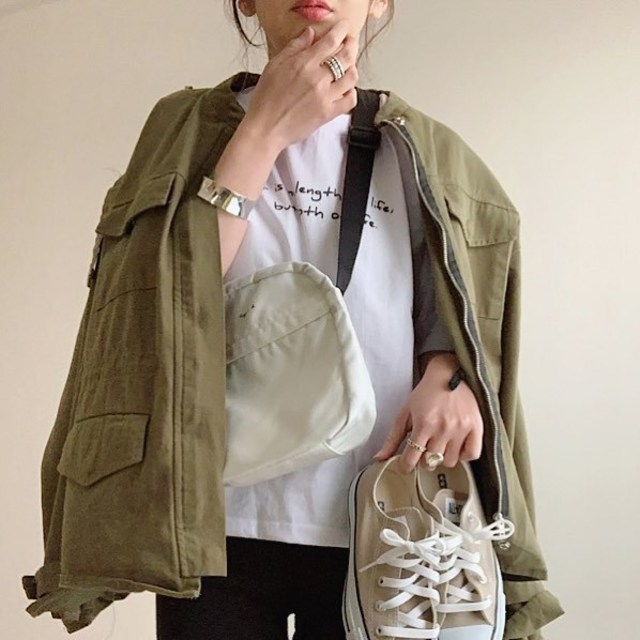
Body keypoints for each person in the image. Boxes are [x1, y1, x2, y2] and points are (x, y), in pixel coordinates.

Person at [152, 1, 561, 639]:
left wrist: (449, 376)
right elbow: (170, 292)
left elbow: (462, 307)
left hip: (388, 525)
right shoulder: (187, 129)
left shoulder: (427, 151)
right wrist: (263, 130)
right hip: (213, 519)